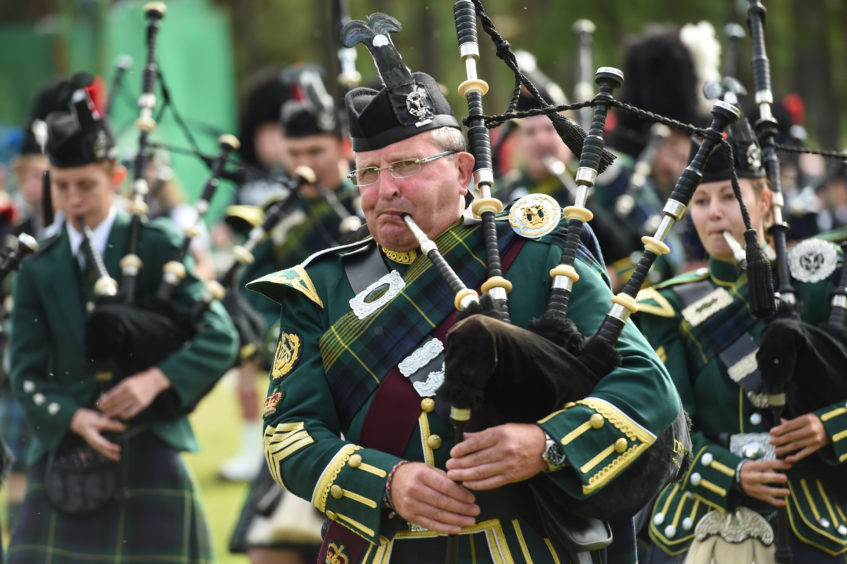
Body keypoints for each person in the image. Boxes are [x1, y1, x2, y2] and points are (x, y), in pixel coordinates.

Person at [246, 18, 681, 563]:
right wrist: (388, 481)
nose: (385, 190)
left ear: (461, 170)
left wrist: (545, 446)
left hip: (524, 547)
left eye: (406, 165)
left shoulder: (538, 255)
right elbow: (289, 434)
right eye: (368, 173)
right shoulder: (319, 289)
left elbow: (647, 385)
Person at [6, 89, 238, 563]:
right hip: (65, 452)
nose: (72, 200)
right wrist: (73, 417)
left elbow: (220, 337)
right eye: (62, 185)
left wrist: (156, 380)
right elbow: (24, 370)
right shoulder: (37, 267)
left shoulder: (157, 246)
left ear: (116, 177)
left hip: (151, 446)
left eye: (86, 186)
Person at [635, 117, 847, 563]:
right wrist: (731, 473)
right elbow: (667, 426)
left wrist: (829, 426)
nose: (714, 213)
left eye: (731, 196)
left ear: (766, 201)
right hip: (703, 523)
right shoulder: (666, 308)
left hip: (813, 520)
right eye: (700, 200)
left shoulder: (821, 283)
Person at [229, 89, 362, 564]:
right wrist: (276, 336)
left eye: (315, 152)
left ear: (344, 148)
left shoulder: (372, 208)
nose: (304, 164)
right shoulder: (277, 218)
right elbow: (244, 292)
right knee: (271, 548)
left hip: (369, 385)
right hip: (302, 385)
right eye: (295, 153)